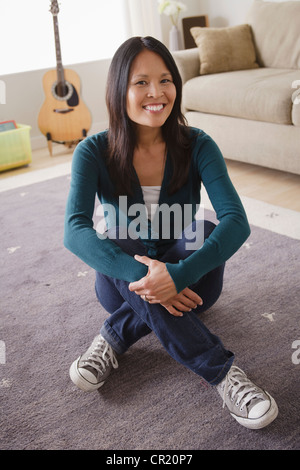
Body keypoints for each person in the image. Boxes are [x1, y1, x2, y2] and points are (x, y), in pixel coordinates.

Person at [64, 36, 278, 430]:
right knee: (108, 238)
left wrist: (176, 275)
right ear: (119, 90)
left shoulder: (198, 145)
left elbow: (236, 221)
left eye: (165, 80)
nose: (156, 93)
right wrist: (146, 276)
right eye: (141, 82)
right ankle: (222, 373)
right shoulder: (93, 151)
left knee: (206, 227)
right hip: (121, 286)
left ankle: (113, 337)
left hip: (192, 286)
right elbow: (74, 230)